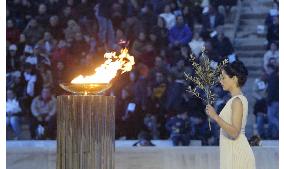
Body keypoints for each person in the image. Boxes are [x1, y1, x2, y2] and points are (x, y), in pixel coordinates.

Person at [205, 61, 256, 169]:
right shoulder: (234, 100)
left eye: (223, 77)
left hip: (237, 155)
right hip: (231, 153)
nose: (220, 80)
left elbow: (234, 132)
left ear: (234, 79)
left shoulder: (237, 101)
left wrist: (215, 116)